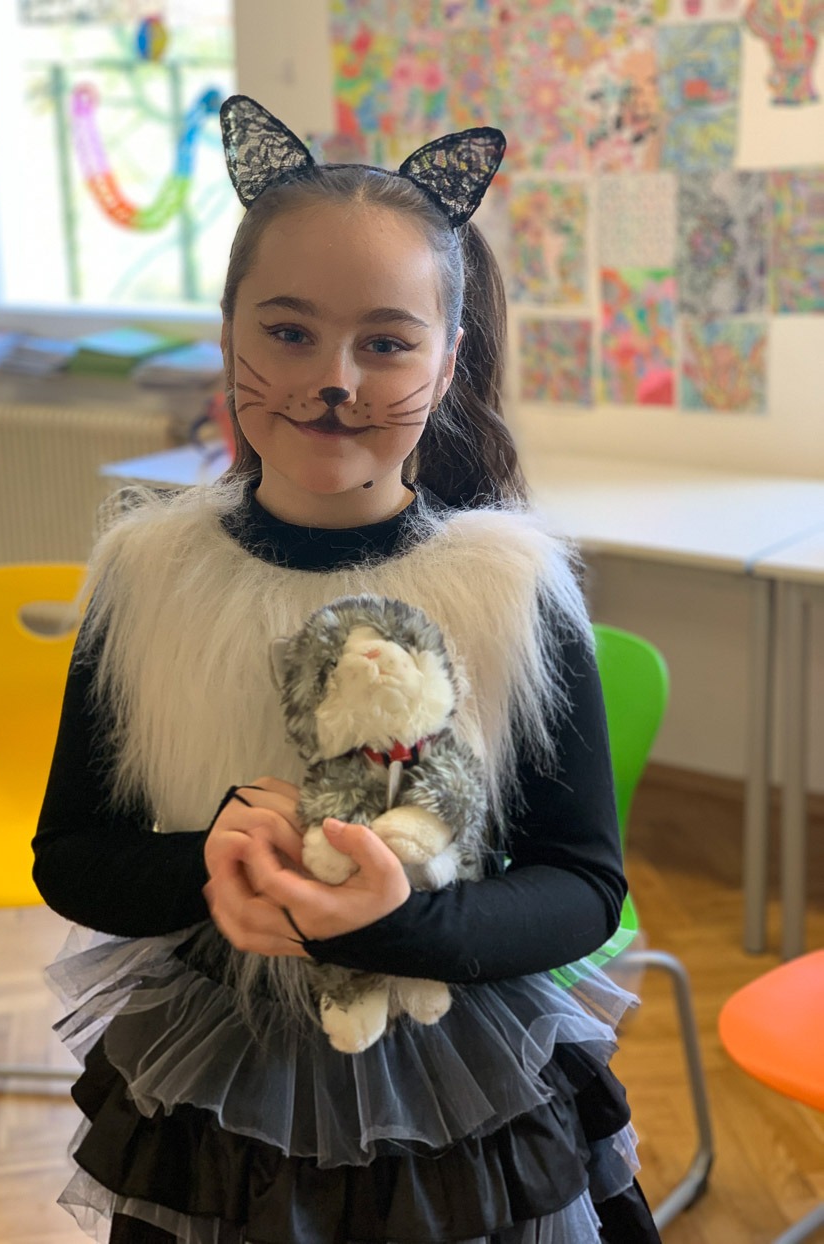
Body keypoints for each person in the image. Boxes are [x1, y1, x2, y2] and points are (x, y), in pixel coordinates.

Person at [34, 95, 663, 1244]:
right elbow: (72, 855)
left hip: (458, 1072)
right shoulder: (141, 578)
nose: (335, 378)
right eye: (287, 332)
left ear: (450, 357)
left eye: (386, 341)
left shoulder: (514, 590)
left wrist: (399, 921)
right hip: (221, 1086)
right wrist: (206, 863)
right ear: (228, 333)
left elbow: (582, 882)